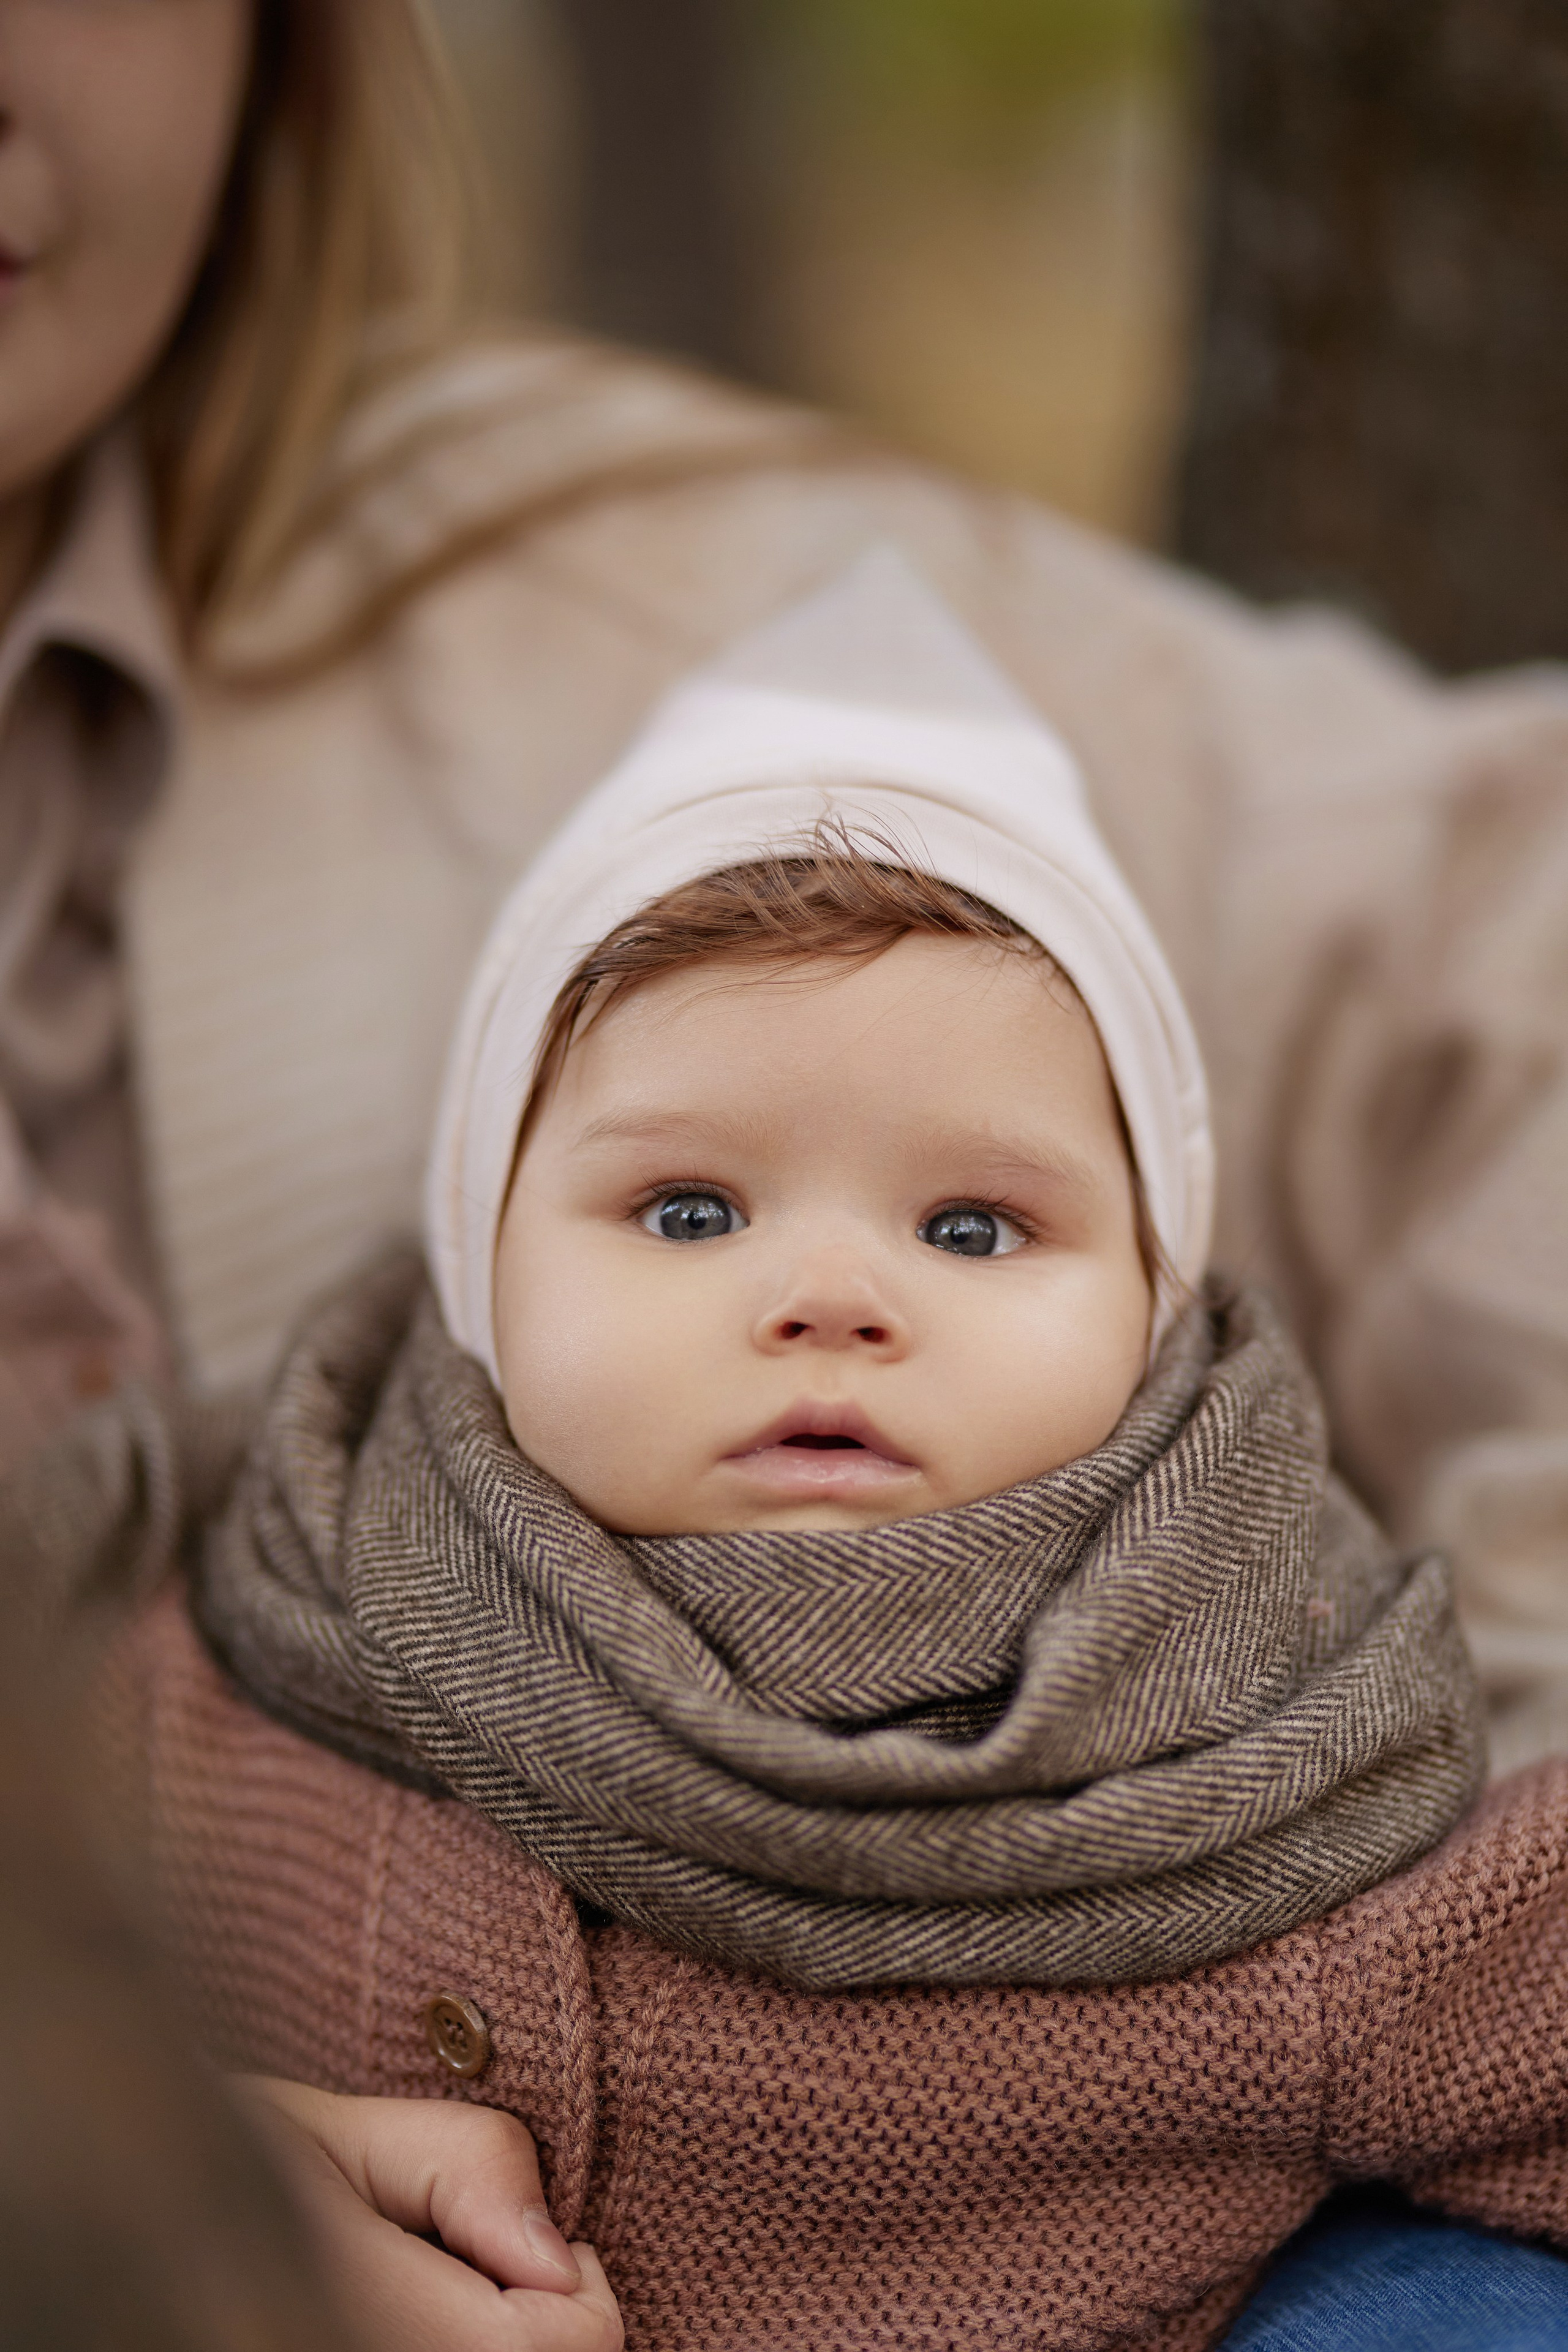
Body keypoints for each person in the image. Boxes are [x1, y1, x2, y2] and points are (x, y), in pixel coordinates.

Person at [18, 559, 1568, 2351]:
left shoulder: (1290, 1816)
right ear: (481, 1267)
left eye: (974, 1229)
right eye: (689, 1209)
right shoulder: (208, 1656)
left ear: (1154, 1312)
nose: (831, 1297)